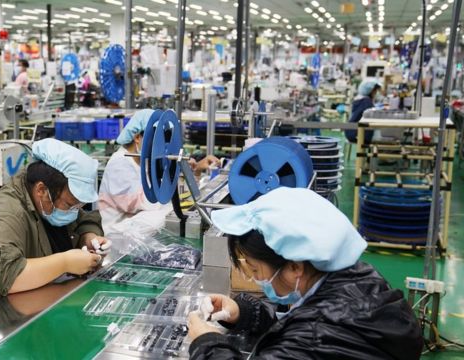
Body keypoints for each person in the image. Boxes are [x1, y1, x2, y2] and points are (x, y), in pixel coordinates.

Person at [187, 187, 423, 359]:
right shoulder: (359, 277)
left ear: (294, 267)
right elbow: (300, 324)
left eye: (255, 269)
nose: (255, 279)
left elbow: (307, 337)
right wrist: (244, 313)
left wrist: (206, 344)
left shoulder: (316, 336)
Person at [0, 138, 109, 317]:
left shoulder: (51, 202)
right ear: (41, 190)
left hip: (41, 305)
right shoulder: (7, 214)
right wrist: (65, 263)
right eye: (70, 205)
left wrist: (88, 237)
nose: (74, 211)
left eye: (79, 206)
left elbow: (83, 219)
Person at [98, 109, 220, 237]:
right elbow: (146, 203)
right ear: (137, 137)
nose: (160, 146)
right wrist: (172, 173)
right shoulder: (120, 164)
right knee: (165, 216)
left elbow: (172, 195)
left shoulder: (144, 160)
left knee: (171, 214)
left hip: (136, 226)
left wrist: (191, 170)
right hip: (116, 233)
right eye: (156, 140)